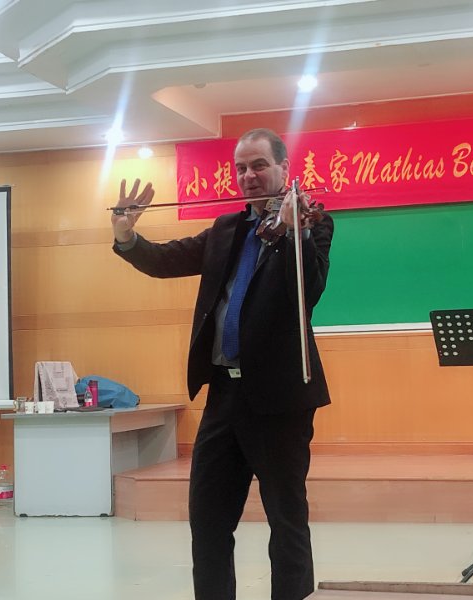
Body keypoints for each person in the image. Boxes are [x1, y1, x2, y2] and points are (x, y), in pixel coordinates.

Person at [111, 128, 333, 600]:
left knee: (287, 521)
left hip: (279, 399)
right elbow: (164, 260)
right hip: (223, 396)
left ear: (283, 168)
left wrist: (294, 232)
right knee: (208, 522)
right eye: (241, 168)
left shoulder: (312, 222)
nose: (249, 176)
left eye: (259, 165)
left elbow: (308, 292)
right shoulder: (226, 229)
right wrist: (127, 235)